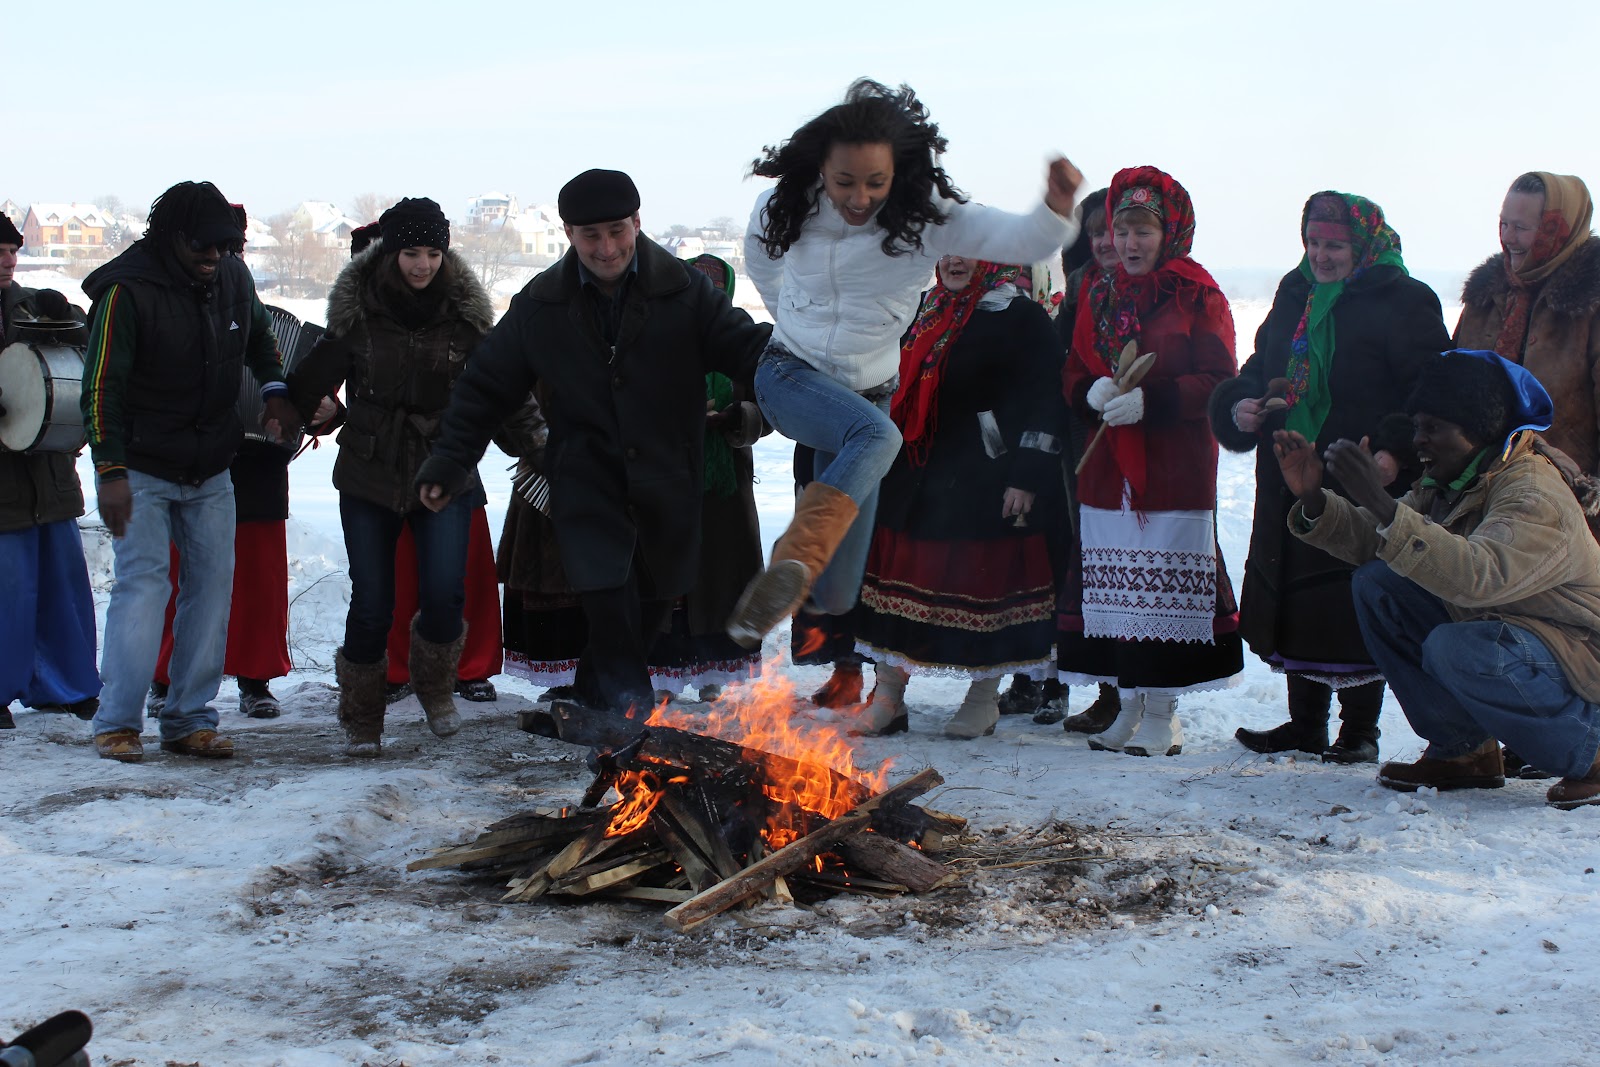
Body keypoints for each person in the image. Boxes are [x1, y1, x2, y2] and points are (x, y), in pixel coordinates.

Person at [726, 78, 1082, 649]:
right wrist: (794, 320)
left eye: (875, 182)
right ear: (822, 166)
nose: (859, 198)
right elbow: (763, 262)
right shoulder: (784, 204)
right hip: (790, 374)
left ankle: (800, 586)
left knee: (839, 592)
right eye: (844, 182)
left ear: (899, 172)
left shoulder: (926, 216)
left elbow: (1014, 238)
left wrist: (1054, 211)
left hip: (868, 388)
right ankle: (792, 555)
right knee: (880, 439)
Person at [416, 169, 772, 715]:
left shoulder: (684, 291)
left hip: (668, 481)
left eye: (616, 231)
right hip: (585, 479)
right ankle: (625, 723)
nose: (606, 248)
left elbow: (745, 350)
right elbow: (486, 385)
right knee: (607, 605)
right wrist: (448, 461)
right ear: (568, 234)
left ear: (636, 222)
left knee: (649, 614)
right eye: (590, 235)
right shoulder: (541, 303)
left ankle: (589, 695)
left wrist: (806, 379)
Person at [1278, 349, 1600, 809]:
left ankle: (1591, 750)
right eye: (1416, 427)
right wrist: (1314, 499)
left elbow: (1478, 575)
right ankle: (1464, 752)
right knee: (1378, 583)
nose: (1419, 442)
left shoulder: (1530, 491)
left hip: (1578, 655)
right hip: (1512, 636)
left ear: (1478, 430)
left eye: (1433, 429)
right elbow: (1383, 540)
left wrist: (1383, 503)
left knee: (1459, 648)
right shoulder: (1454, 479)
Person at [1209, 192, 1451, 763]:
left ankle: (1360, 731)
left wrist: (1395, 454)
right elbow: (1258, 369)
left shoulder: (1404, 300)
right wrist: (1241, 406)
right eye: (1313, 242)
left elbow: (1430, 389)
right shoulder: (1296, 293)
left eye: (1334, 245)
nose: (1320, 254)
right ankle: (1306, 723)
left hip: (1357, 471)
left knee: (1351, 596)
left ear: (1362, 245)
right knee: (1296, 592)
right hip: (1289, 466)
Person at [79, 180, 301, 762]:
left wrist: (276, 391)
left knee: (210, 591)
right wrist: (110, 470)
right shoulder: (127, 291)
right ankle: (118, 723)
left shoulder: (231, 275)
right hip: (144, 467)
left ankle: (188, 718)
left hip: (210, 467)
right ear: (173, 238)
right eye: (204, 248)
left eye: (224, 249)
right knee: (144, 589)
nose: (214, 258)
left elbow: (258, 338)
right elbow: (101, 385)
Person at [288, 198, 493, 756]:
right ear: (390, 252)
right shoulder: (361, 312)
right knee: (373, 600)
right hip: (369, 473)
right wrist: (306, 408)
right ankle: (361, 715)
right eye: (411, 252)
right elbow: (310, 379)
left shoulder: (464, 315)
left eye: (432, 252)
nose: (422, 264)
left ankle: (434, 689)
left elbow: (499, 391)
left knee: (448, 592)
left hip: (443, 469)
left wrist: (538, 447)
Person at [1060, 167, 1243, 757]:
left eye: (1142, 231)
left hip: (1170, 466)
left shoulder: (1196, 293)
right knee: (1119, 596)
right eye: (1121, 229)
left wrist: (1153, 399)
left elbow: (1219, 380)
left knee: (1162, 591)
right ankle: (1130, 703)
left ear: (1169, 234)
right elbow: (1073, 368)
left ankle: (1163, 715)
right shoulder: (1096, 289)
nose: (1129, 244)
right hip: (1108, 464)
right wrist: (1089, 391)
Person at [851, 257, 1063, 738]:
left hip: (986, 473)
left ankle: (982, 699)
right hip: (913, 471)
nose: (954, 260)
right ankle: (889, 698)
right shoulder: (923, 308)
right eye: (945, 247)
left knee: (983, 587)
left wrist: (1027, 475)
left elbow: (1045, 398)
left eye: (968, 247)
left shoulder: (1017, 315)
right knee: (896, 585)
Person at [1006, 186, 1119, 728]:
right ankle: (1064, 678)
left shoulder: (1163, 290)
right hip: (1069, 448)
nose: (1104, 241)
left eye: (1112, 230)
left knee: (1112, 565)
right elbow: (1062, 370)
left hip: (1126, 446)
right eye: (1094, 231)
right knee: (1072, 564)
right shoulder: (1079, 289)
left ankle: (1118, 692)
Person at [646, 254, 767, 701]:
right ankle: (663, 675)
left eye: (715, 287)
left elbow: (770, 405)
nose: (706, 294)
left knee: (717, 578)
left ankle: (711, 672)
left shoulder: (742, 343)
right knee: (667, 577)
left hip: (723, 488)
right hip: (664, 478)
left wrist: (737, 417)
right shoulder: (656, 336)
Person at [0, 215, 100, 731]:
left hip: (50, 477)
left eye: (12, 250)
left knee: (63, 588)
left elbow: (84, 342)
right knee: (8, 592)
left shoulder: (31, 302)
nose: (7, 260)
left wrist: (69, 315)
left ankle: (70, 687)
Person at [1455, 173, 1600, 476]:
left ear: (1557, 230)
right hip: (1475, 488)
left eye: (1521, 228)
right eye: (1504, 224)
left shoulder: (1590, 302)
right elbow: (1446, 390)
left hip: (1560, 498)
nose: (1508, 238)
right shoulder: (1485, 296)